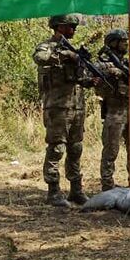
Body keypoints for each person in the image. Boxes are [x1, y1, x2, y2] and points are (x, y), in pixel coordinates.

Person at [32, 14, 96, 206]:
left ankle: (76, 190)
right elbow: (39, 58)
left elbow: (79, 78)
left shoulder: (74, 50)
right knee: (57, 148)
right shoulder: (47, 46)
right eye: (70, 27)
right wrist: (63, 55)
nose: (73, 30)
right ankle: (53, 192)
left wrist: (90, 81)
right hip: (57, 107)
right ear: (60, 27)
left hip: (76, 107)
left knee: (76, 148)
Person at [94, 29, 130, 191]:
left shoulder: (129, 64)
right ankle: (107, 185)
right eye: (122, 41)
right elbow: (93, 76)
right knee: (111, 149)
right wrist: (111, 72)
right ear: (113, 43)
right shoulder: (104, 63)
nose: (126, 44)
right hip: (115, 111)